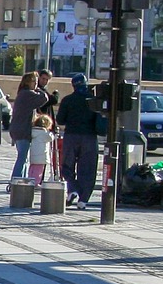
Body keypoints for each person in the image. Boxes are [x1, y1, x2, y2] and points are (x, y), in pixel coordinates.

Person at [56, 73, 103, 209]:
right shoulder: (93, 100)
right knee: (88, 169)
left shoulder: (67, 100)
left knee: (67, 166)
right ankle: (83, 199)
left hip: (71, 136)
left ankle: (73, 188)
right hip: (89, 137)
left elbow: (60, 120)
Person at [8, 72, 49, 182]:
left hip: (17, 129)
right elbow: (44, 98)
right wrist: (39, 89)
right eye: (34, 81)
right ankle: (16, 180)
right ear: (27, 82)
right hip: (22, 130)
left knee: (24, 157)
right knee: (22, 158)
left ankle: (21, 180)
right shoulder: (28, 94)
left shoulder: (22, 93)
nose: (36, 83)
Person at [27, 111, 55, 186]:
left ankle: (30, 181)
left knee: (32, 169)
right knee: (39, 171)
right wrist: (51, 133)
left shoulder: (33, 131)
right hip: (41, 156)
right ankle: (36, 183)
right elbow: (50, 138)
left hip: (33, 155)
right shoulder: (44, 133)